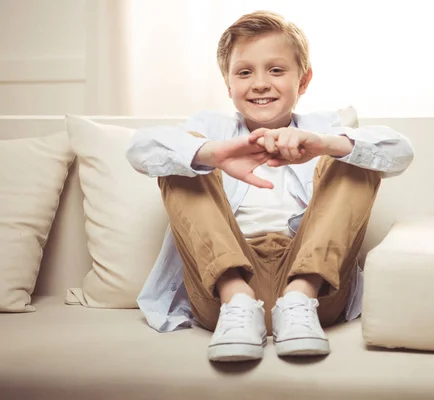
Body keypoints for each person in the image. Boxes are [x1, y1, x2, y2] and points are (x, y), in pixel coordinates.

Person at [126, 10, 414, 362]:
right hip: (223, 291)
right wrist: (213, 153)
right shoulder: (208, 126)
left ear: (303, 81)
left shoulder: (325, 126)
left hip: (314, 292)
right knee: (184, 153)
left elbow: (400, 152)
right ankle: (239, 299)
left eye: (276, 70)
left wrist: (325, 144)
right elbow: (139, 150)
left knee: (355, 154)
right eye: (245, 72)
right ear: (228, 84)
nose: (260, 83)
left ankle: (298, 296)